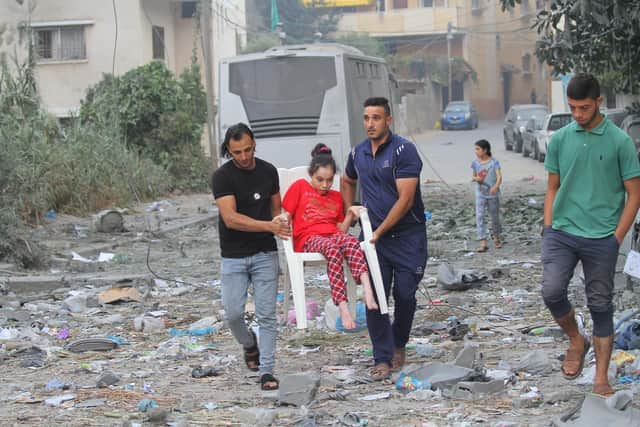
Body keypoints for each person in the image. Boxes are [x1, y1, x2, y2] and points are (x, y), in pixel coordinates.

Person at [542, 73, 640, 396]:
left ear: (598, 102)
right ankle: (575, 338)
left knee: (601, 306)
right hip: (562, 232)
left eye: (584, 108)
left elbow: (634, 194)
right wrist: (548, 227)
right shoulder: (559, 140)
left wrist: (616, 238)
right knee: (552, 291)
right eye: (572, 108)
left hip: (602, 237)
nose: (578, 115)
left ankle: (601, 379)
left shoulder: (620, 142)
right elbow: (552, 187)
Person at [341, 97, 428, 381]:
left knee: (405, 293)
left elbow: (406, 199)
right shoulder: (358, 153)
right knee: (374, 297)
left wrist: (379, 232)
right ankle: (382, 357)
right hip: (373, 239)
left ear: (388, 120)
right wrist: (350, 210)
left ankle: (399, 342)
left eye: (376, 118)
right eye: (366, 118)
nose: (370, 124)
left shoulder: (405, 150)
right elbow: (347, 179)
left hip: (407, 236)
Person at [211, 123, 290, 391]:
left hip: (265, 254)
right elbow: (230, 218)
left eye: (247, 150)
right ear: (229, 151)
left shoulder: (268, 171)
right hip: (233, 256)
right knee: (233, 314)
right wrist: (269, 225)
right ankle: (248, 344)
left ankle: (267, 371)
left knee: (267, 315)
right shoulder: (222, 177)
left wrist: (281, 222)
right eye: (237, 152)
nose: (243, 157)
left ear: (254, 143)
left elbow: (276, 209)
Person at [281, 144, 379, 330]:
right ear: (311, 174)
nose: (325, 185)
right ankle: (342, 307)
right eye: (320, 180)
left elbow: (341, 230)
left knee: (351, 242)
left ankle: (367, 288)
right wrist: (282, 219)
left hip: (333, 235)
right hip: (309, 238)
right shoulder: (300, 187)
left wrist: (350, 213)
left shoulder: (335, 196)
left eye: (329, 180)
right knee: (332, 249)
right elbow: (286, 213)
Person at [471, 139, 503, 252]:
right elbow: (473, 176)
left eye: (478, 149)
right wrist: (477, 179)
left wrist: (496, 186)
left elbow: (499, 176)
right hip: (480, 193)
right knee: (480, 216)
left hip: (492, 194)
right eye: (475, 149)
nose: (476, 151)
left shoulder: (494, 162)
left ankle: (497, 237)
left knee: (494, 217)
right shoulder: (475, 163)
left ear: (485, 150)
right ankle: (482, 241)